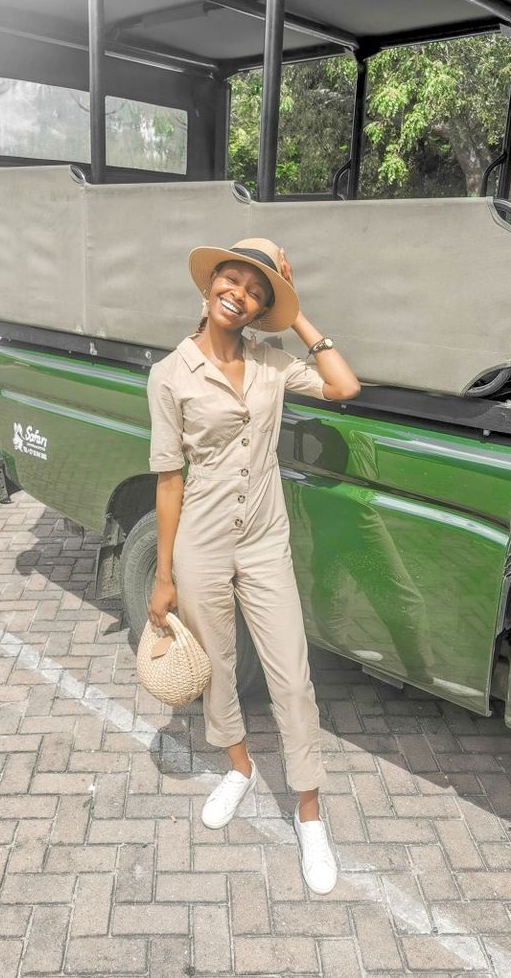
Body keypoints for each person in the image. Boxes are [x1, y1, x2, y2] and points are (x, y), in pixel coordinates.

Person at [146, 238, 360, 895]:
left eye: (256, 289)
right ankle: (238, 767)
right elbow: (168, 478)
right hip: (201, 542)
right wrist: (162, 574)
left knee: (292, 679)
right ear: (211, 284)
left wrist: (295, 311)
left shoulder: (273, 363)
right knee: (217, 670)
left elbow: (344, 386)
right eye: (232, 279)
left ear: (262, 305)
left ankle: (309, 812)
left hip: (265, 539)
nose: (240, 292)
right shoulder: (170, 374)